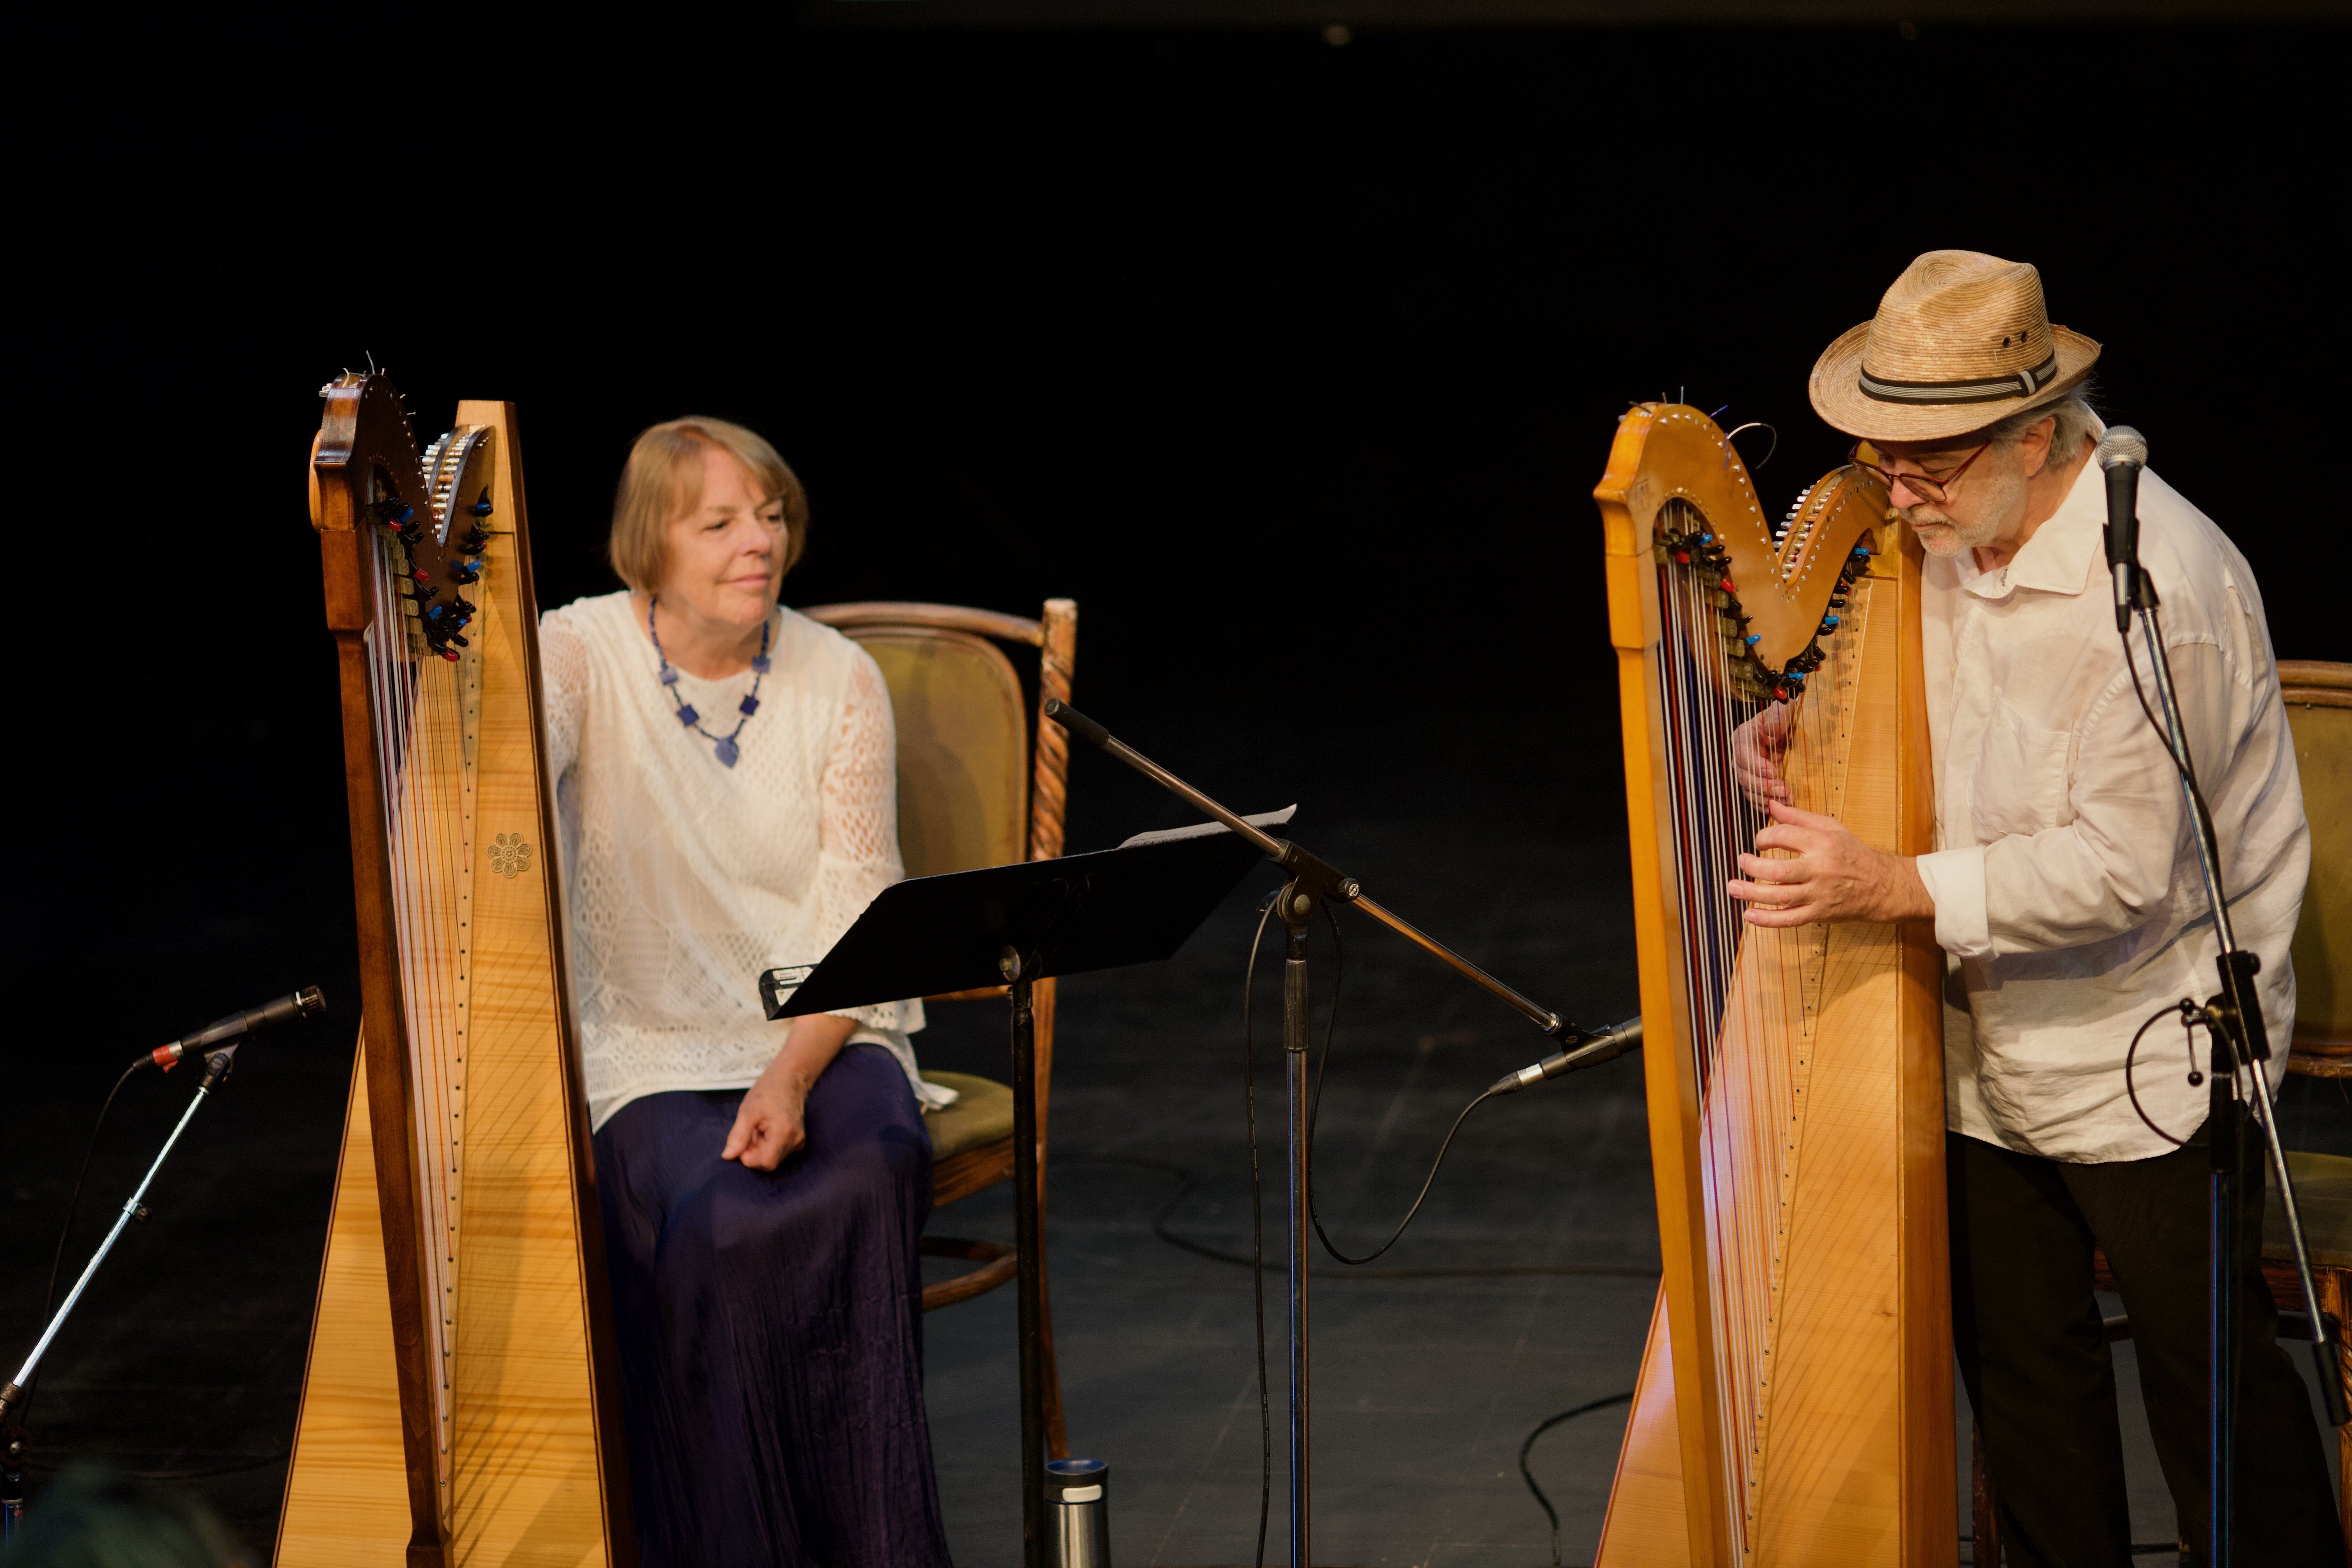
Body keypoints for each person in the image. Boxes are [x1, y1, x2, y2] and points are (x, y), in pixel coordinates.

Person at [1725, 251, 2338, 1563]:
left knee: (2208, 1395)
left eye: (1925, 467)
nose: (1893, 494)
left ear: (2038, 431)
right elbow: (1942, 727)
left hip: (2147, 1049)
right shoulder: (1943, 533)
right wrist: (1802, 729)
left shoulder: (2153, 584)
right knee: (2026, 1390)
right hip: (1976, 1034)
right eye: (1882, 461)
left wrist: (1886, 884)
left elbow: (2122, 871)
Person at [540, 416, 956, 1568]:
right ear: (647, 543)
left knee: (872, 1166)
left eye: (768, 514)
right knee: (721, 1222)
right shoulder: (575, 655)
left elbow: (861, 914)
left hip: (828, 1026)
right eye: (717, 521)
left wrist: (788, 1073)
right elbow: (494, 764)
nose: (756, 541)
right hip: (651, 1043)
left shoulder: (841, 678)